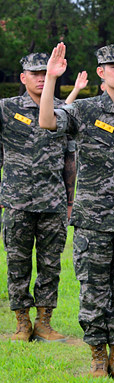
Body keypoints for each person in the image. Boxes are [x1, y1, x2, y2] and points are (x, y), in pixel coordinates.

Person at [38, 42, 114, 380]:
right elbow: (47, 120)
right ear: (101, 73)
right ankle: (96, 356)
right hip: (93, 221)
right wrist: (51, 79)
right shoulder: (85, 110)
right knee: (93, 289)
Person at [1, 52, 75, 342]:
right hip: (17, 201)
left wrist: (69, 201)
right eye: (35, 73)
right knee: (17, 262)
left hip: (53, 201)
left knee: (50, 264)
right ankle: (22, 322)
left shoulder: (63, 111)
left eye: (46, 72)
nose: (42, 78)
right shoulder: (6, 109)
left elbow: (70, 159)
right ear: (23, 78)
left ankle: (44, 322)